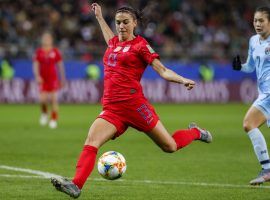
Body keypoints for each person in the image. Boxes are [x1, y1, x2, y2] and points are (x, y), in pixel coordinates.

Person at [51, 3, 212, 198]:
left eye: (126, 22)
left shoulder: (141, 45)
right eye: (118, 22)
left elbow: (162, 70)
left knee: (169, 146)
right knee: (92, 141)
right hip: (112, 109)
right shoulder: (113, 44)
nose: (121, 26)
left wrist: (182, 79)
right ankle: (76, 185)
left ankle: (196, 132)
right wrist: (100, 17)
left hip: (135, 106)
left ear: (134, 23)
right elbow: (109, 37)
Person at [232, 6, 270, 185]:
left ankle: (267, 168)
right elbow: (250, 66)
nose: (257, 24)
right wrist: (241, 66)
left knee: (249, 123)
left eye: (261, 20)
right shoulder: (254, 41)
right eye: (255, 20)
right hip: (264, 92)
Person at [33, 32, 66, 129]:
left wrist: (62, 78)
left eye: (48, 38)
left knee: (53, 100)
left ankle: (53, 119)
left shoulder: (55, 51)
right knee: (42, 100)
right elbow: (35, 65)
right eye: (44, 38)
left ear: (51, 40)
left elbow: (60, 66)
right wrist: (37, 76)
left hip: (53, 79)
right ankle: (44, 113)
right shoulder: (39, 52)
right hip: (43, 79)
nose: (46, 40)